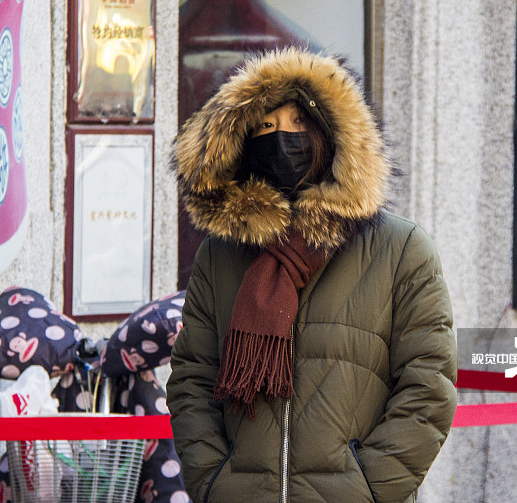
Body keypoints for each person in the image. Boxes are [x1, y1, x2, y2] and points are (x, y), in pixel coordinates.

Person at [166, 47, 457, 503]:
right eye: (266, 126)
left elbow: (428, 388)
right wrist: (214, 484)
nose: (282, 139)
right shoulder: (219, 258)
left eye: (298, 123)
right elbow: (192, 382)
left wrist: (367, 489)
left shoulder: (402, 251)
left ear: (331, 133)